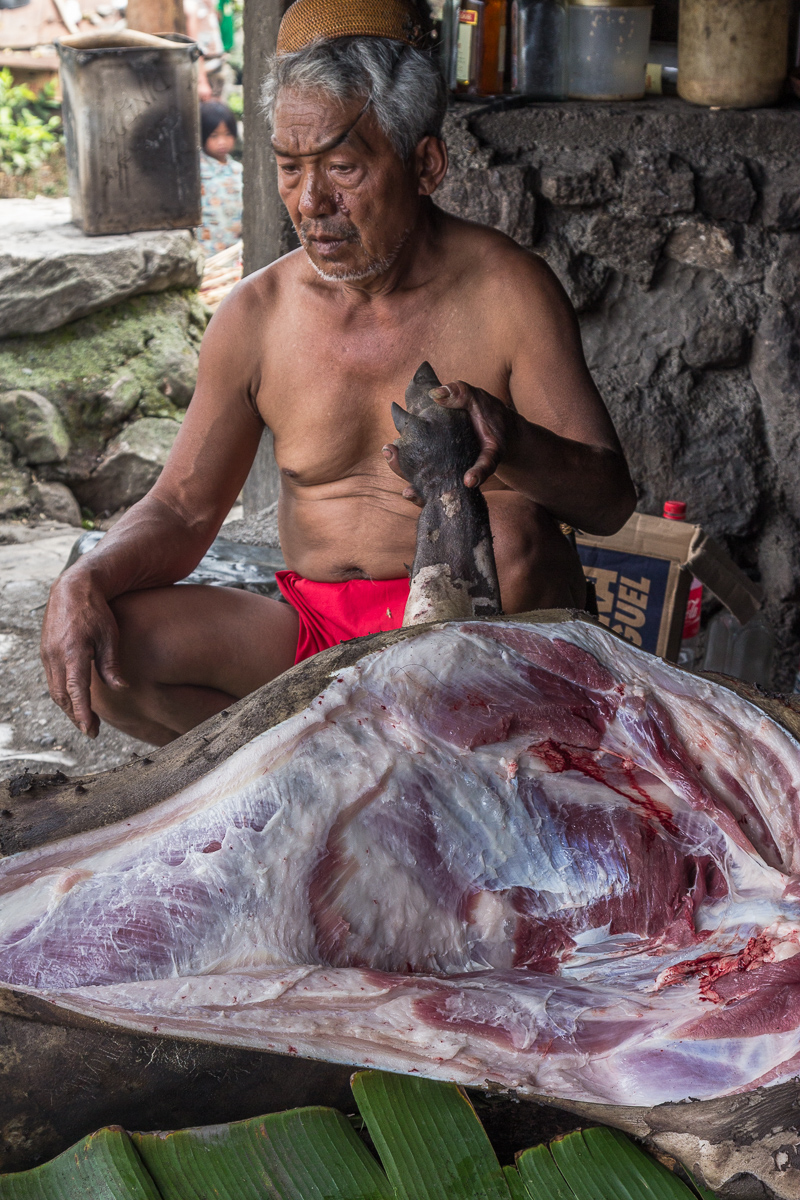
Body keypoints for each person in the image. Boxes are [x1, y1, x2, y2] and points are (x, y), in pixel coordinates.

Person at [40, 0, 637, 747]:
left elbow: (610, 502)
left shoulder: (508, 292)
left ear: (425, 164)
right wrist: (84, 578)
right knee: (104, 653)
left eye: (343, 168)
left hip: (471, 637)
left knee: (516, 539)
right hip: (310, 635)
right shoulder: (256, 314)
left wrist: (511, 440)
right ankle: (323, 771)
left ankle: (384, 766)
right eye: (290, 169)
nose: (310, 202)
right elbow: (186, 511)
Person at [197, 100, 243, 255]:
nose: (222, 142)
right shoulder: (197, 170)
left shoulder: (238, 170)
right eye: (214, 135)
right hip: (206, 251)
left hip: (233, 250)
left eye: (228, 134)